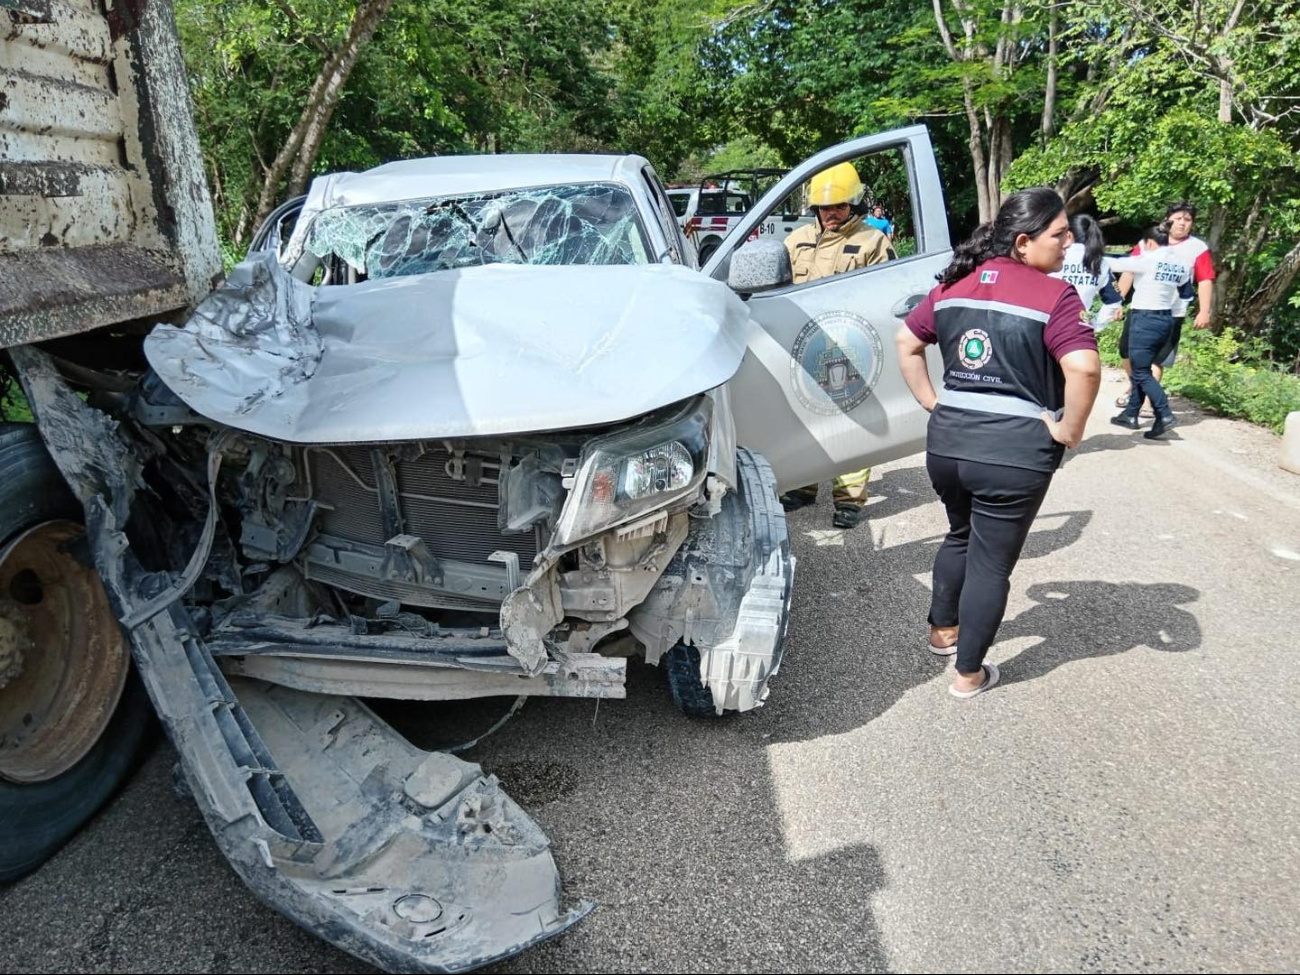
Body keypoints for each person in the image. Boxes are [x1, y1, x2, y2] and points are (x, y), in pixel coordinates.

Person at [894, 187, 1101, 698]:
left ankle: (942, 632)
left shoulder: (955, 284)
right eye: (1059, 233)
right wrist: (1070, 430)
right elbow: (1084, 366)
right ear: (1025, 242)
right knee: (991, 562)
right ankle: (968, 675)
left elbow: (907, 341)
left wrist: (932, 402)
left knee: (959, 533)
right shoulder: (1055, 297)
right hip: (1014, 453)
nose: (1069, 241)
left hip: (948, 443)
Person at [781, 162, 895, 529]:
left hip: (851, 346)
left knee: (852, 422)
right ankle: (802, 486)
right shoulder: (795, 240)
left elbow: (886, 294)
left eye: (840, 207)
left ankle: (848, 500)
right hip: (797, 345)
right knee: (799, 418)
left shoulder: (872, 242)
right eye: (825, 207)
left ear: (854, 205)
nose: (831, 214)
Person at [1115, 201, 1215, 405]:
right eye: (1178, 218)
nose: (1182, 223)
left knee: (1155, 359)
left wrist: (1204, 311)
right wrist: (1117, 300)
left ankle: (1146, 402)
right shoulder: (1147, 243)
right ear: (1167, 219)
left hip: (1171, 314)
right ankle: (1137, 388)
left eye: (1187, 220)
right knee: (1126, 352)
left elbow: (1205, 279)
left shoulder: (1197, 248)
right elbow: (1129, 271)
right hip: (1140, 309)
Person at [1106, 225, 1194, 439]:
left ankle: (1164, 414)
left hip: (1144, 318)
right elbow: (1187, 294)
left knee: (1142, 372)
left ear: (1150, 243)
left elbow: (1111, 262)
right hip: (1166, 318)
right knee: (1141, 368)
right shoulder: (1181, 265)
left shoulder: (1146, 260)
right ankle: (1131, 414)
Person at [1051, 213, 1123, 331]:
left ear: (1068, 234)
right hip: (1080, 328)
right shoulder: (1099, 262)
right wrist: (1096, 324)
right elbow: (1114, 300)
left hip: (1052, 324)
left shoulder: (1054, 256)